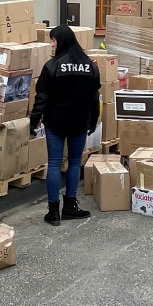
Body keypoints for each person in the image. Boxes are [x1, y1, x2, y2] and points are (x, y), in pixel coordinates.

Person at [29, 24, 101, 226]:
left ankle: (53, 212)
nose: (51, 45)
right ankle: (70, 206)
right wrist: (93, 120)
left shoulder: (52, 66)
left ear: (61, 41)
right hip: (79, 121)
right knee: (75, 162)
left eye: (53, 40)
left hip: (55, 121)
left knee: (54, 163)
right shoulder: (90, 65)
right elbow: (94, 98)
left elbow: (41, 97)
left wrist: (34, 120)